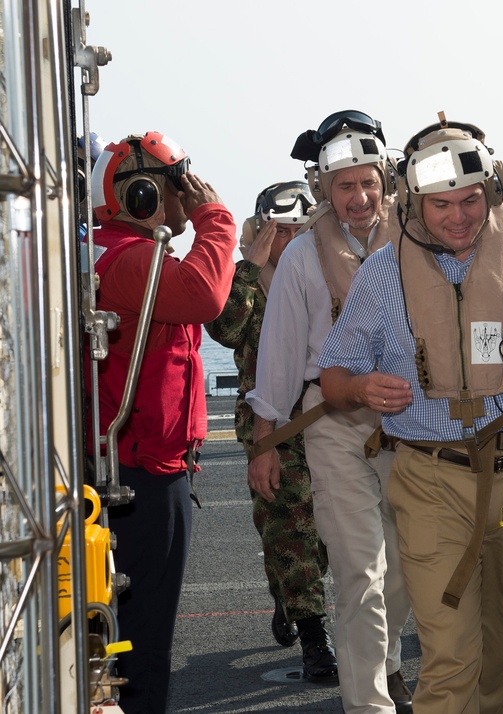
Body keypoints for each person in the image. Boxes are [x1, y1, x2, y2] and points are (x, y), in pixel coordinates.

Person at [318, 118, 503, 713]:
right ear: (414, 202)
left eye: (471, 200)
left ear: (494, 191)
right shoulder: (381, 273)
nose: (458, 217)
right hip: (428, 479)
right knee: (449, 658)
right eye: (441, 204)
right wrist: (361, 389)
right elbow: (333, 377)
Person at [245, 111, 412, 713]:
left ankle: (390, 665)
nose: (360, 197)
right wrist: (264, 440)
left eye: (369, 183)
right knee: (358, 573)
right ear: (324, 189)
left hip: (408, 420)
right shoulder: (300, 259)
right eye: (345, 186)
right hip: (331, 421)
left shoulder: (417, 236)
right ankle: (369, 705)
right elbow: (281, 353)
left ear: (386, 181)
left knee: (403, 571)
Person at [88, 131, 236, 713]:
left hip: (125, 459)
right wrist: (215, 219)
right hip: (144, 472)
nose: (187, 195)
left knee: (118, 629)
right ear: (144, 194)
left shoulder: (107, 251)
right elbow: (205, 296)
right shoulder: (130, 260)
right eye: (177, 185)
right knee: (143, 637)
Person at [204, 181, 337, 681]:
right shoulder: (250, 283)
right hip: (271, 424)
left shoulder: (329, 272)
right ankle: (314, 639)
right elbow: (225, 330)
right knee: (289, 528)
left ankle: (290, 596)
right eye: (280, 230)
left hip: (328, 416)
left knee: (327, 532)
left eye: (298, 228)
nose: (290, 238)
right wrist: (252, 263)